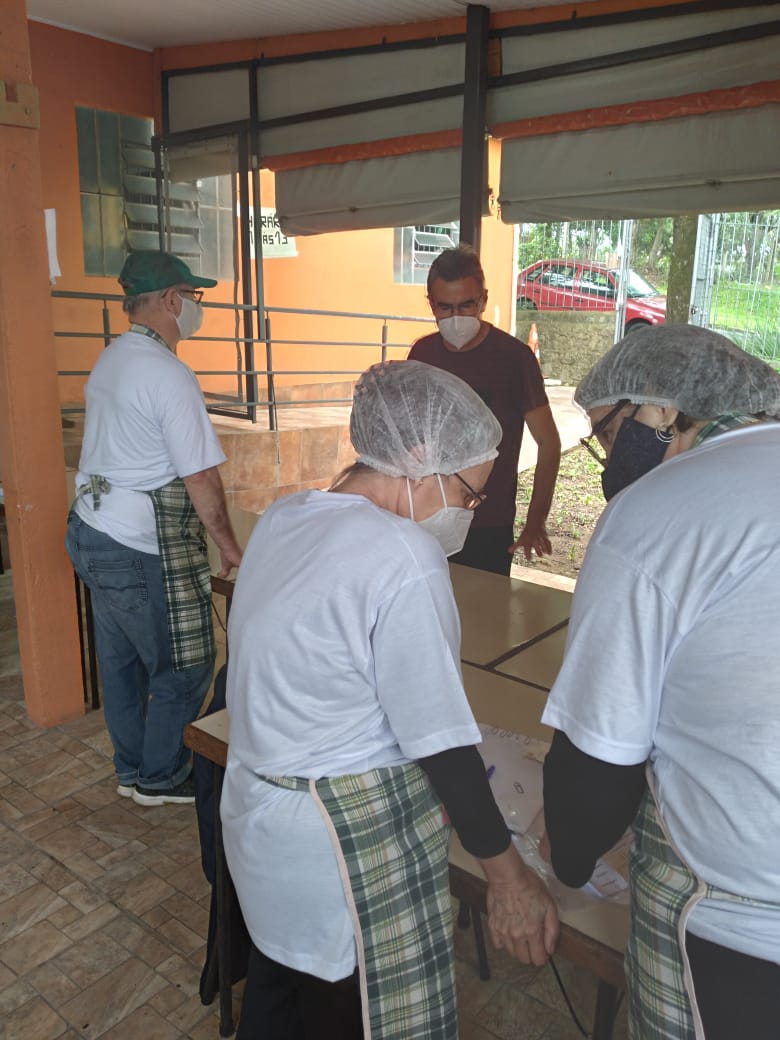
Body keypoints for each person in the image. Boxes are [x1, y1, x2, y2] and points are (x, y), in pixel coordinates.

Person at [221, 360, 559, 1040]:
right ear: (416, 456)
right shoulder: (402, 554)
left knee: (281, 991)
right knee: (346, 1015)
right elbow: (441, 742)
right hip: (332, 850)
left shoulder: (288, 516)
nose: (467, 514)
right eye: (467, 494)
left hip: (258, 822)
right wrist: (509, 877)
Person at [540, 325, 780, 1040]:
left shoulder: (656, 512)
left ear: (661, 411)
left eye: (609, 430)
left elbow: (598, 752)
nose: (608, 455)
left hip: (739, 918)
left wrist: (570, 855)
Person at [65, 251, 242, 807]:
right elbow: (201, 477)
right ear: (172, 300)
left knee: (120, 662)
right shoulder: (168, 373)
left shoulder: (112, 357)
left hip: (90, 529)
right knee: (184, 665)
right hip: (135, 544)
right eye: (194, 298)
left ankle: (132, 767)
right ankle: (161, 777)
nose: (195, 308)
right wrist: (231, 548)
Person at [408, 244, 561, 575]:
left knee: (485, 618)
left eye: (467, 305)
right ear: (431, 304)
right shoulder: (422, 354)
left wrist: (535, 522)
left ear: (484, 300)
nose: (457, 317)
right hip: (426, 515)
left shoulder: (514, 358)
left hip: (488, 524)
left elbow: (549, 443)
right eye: (445, 308)